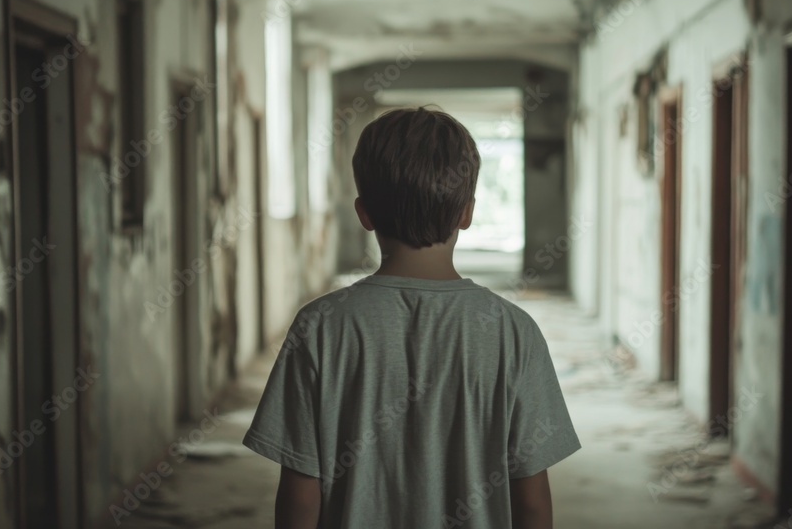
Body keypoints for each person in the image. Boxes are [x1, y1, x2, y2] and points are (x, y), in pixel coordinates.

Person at [243, 107, 580, 528]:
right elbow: (531, 503)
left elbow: (299, 498)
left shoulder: (320, 327)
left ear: (364, 213)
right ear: (467, 212)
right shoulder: (513, 331)